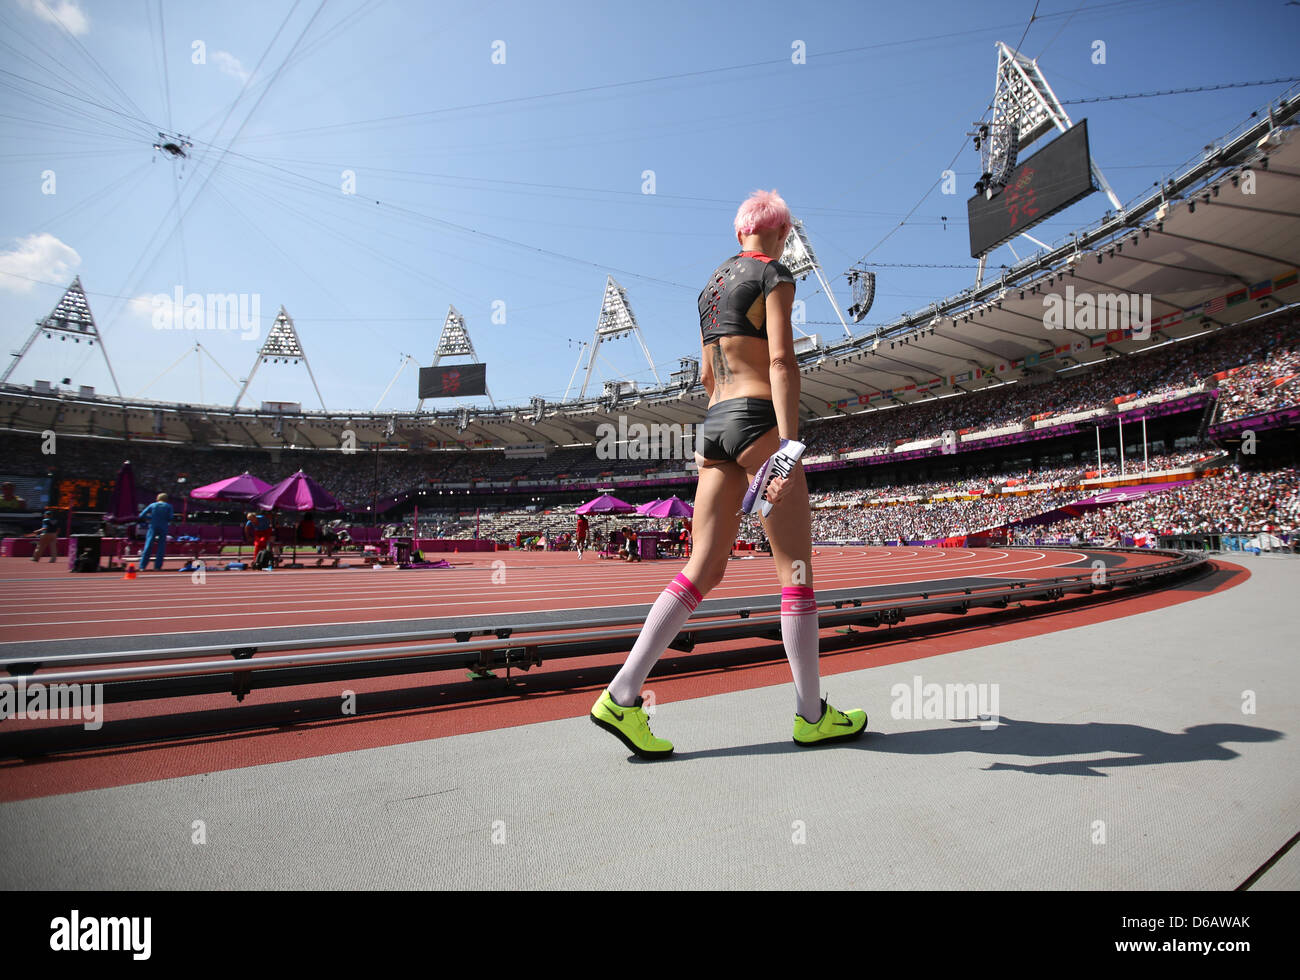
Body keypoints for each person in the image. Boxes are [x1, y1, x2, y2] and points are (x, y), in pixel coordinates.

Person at [589, 189, 867, 758]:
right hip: (759, 418)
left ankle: (622, 693)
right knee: (795, 572)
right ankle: (812, 716)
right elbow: (783, 361)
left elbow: (709, 378)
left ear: (740, 232)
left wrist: (730, 422)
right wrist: (788, 445)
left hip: (713, 425)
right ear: (782, 234)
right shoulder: (776, 274)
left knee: (703, 567)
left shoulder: (709, 288)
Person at [137, 493, 174, 571]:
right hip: (163, 527)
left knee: (148, 546)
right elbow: (170, 517)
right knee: (161, 547)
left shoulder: (153, 505)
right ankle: (157, 567)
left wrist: (151, 517)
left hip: (153, 526)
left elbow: (141, 515)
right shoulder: (168, 506)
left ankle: (142, 566)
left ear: (157, 498)